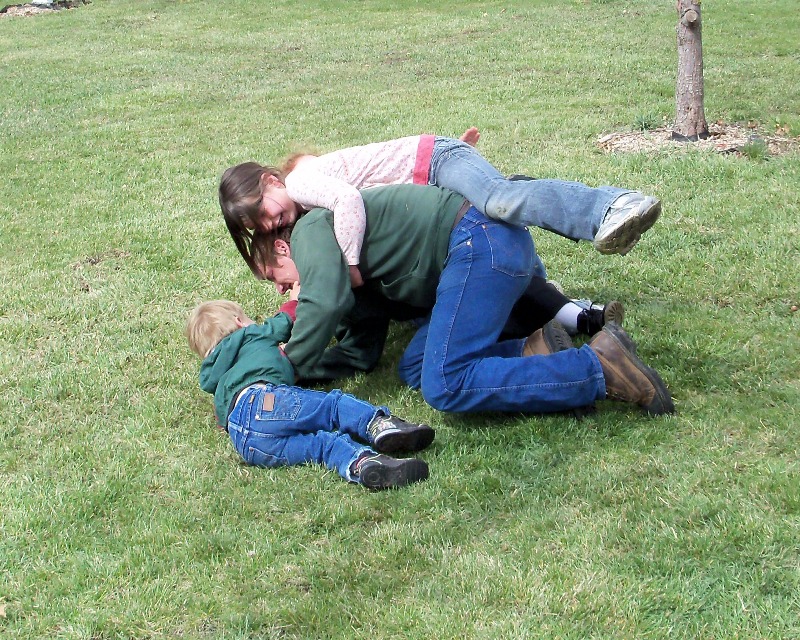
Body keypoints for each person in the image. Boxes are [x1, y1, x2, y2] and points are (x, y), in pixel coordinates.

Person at [250, 184, 674, 417]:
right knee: (416, 365)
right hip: (485, 251)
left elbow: (322, 303)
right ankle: (536, 350)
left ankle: (598, 367)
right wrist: (306, 370)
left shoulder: (310, 233)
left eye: (277, 279)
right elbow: (360, 351)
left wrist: (289, 361)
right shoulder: (341, 264)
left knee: (444, 383)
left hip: (480, 245)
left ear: (284, 251)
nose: (283, 291)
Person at [219, 128, 661, 287]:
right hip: (433, 185)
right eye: (261, 225)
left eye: (266, 209)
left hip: (436, 162)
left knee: (496, 200)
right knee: (494, 216)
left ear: (272, 180)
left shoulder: (300, 182)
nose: (272, 222)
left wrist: (350, 264)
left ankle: (611, 205)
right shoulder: (302, 200)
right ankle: (551, 299)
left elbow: (350, 198)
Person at [185, 293, 434, 489]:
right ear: (240, 322)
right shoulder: (248, 335)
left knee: (321, 446)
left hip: (248, 444)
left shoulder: (214, 380)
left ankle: (361, 464)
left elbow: (222, 422)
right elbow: (282, 324)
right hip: (266, 401)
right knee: (332, 406)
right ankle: (378, 424)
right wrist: (296, 298)